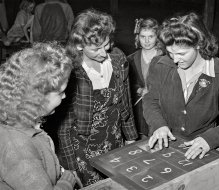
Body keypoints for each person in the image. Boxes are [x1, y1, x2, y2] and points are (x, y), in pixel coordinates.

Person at [58, 8, 138, 187]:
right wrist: (70, 165)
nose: (103, 52)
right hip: (84, 149)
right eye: (96, 48)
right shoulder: (72, 70)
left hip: (115, 141)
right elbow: (64, 125)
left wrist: (131, 138)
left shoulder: (118, 59)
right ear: (79, 45)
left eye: (106, 44)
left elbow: (126, 103)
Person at [143, 12, 219, 160]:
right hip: (163, 142)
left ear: (199, 44)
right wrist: (158, 125)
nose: (175, 60)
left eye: (182, 53)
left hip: (200, 146)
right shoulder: (160, 65)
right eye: (170, 53)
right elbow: (151, 100)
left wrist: (210, 139)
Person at [0, 42, 81, 189]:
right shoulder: (20, 152)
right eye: (60, 92)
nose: (64, 97)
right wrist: (66, 181)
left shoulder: (18, 121)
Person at [127, 18, 164, 140]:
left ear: (157, 37)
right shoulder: (131, 59)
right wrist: (139, 90)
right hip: (139, 109)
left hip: (160, 108)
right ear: (138, 37)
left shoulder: (165, 58)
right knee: (142, 137)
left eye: (151, 37)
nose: (147, 41)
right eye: (143, 37)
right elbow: (127, 82)